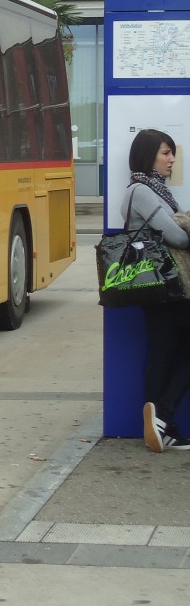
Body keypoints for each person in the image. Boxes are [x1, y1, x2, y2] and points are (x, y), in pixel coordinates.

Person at [122, 128, 190, 453]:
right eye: (165, 153)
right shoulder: (142, 191)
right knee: (168, 352)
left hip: (156, 286)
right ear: (148, 156)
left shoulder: (153, 190)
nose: (171, 159)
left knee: (162, 352)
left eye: (172, 153)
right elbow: (177, 237)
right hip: (166, 284)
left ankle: (164, 426)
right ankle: (162, 413)